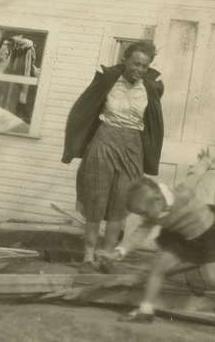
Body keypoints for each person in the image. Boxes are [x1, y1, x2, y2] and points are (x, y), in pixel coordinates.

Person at [61, 41, 164, 267]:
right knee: (96, 197)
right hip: (104, 141)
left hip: (132, 147)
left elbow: (154, 123)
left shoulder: (151, 89)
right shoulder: (107, 81)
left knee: (121, 201)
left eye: (144, 66)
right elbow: (84, 108)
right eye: (135, 64)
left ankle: (106, 254)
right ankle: (88, 254)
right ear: (124, 60)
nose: (139, 69)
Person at [108, 177, 215, 323]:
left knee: (213, 278)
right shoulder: (153, 212)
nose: (144, 216)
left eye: (144, 212)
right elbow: (141, 231)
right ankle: (146, 310)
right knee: (157, 268)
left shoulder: (181, 194)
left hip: (211, 232)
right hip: (184, 236)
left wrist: (205, 162)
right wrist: (121, 250)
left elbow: (194, 175)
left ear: (157, 199)